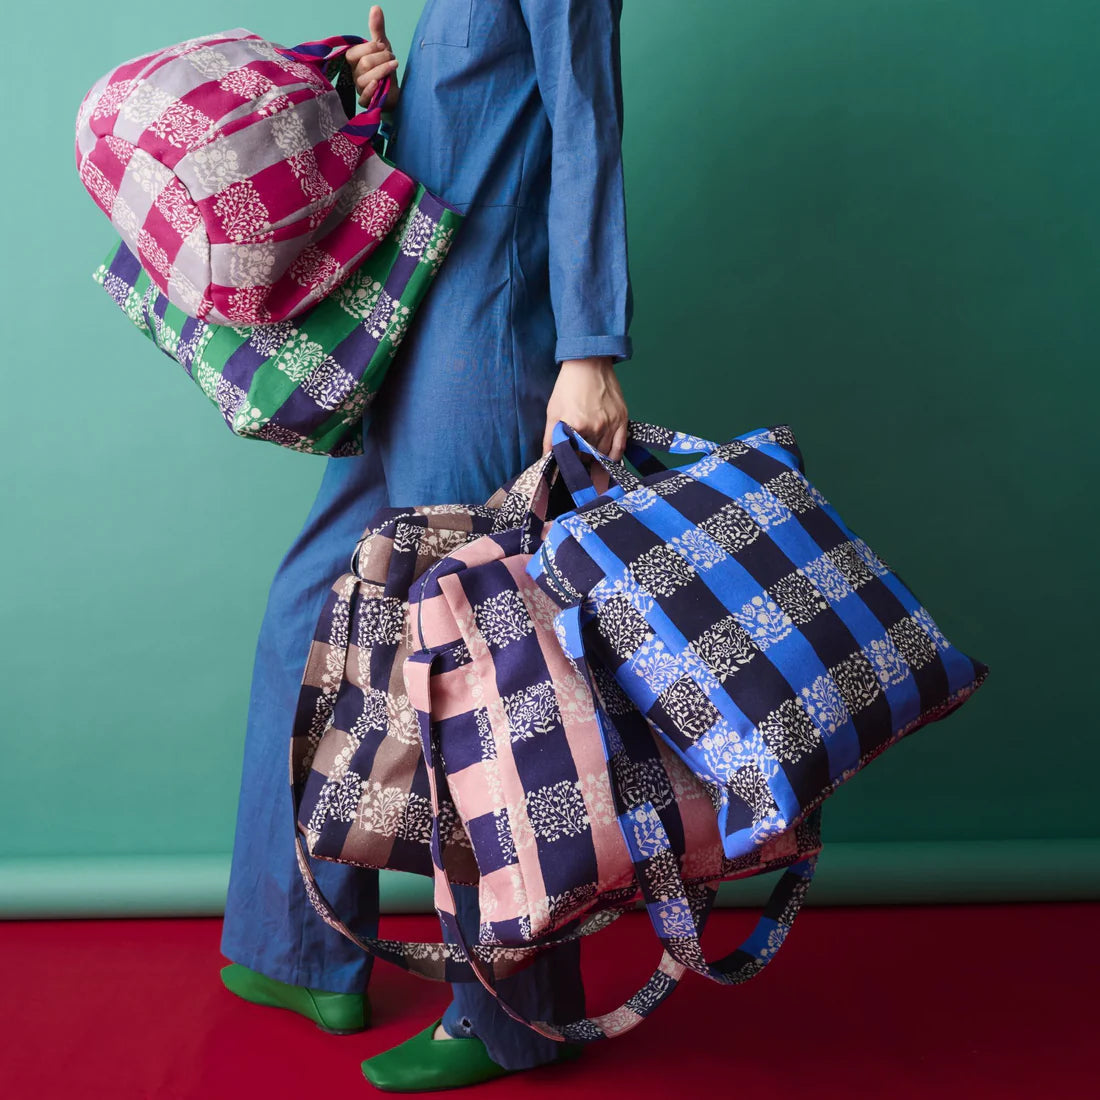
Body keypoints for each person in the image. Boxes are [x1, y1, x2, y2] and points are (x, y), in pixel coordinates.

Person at [219, 1, 632, 1090]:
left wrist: (588, 346)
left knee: (482, 676)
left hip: (485, 336)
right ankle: (304, 942)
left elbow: (584, 123)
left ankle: (511, 1017)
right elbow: (480, 108)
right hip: (402, 317)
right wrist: (389, 88)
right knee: (306, 618)